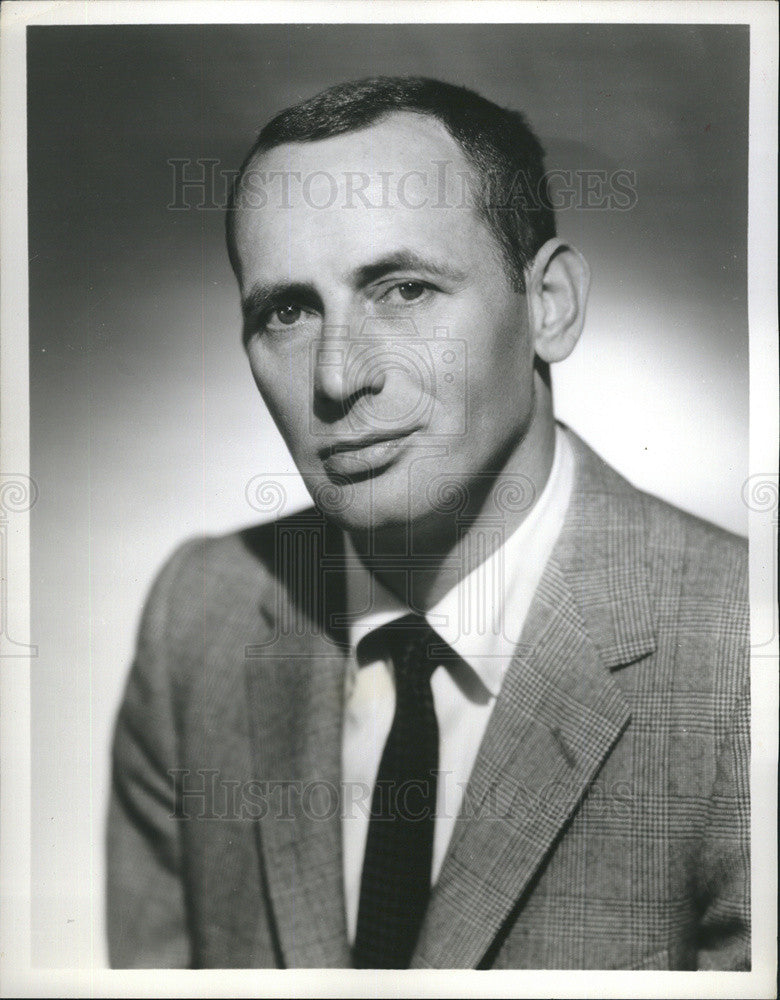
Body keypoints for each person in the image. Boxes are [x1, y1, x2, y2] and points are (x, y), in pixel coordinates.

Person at [106, 77, 750, 970]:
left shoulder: (744, 658)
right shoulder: (199, 617)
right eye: (287, 311)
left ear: (549, 305)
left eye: (403, 291)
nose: (338, 377)